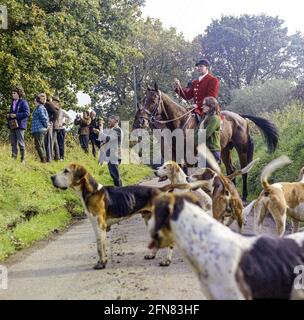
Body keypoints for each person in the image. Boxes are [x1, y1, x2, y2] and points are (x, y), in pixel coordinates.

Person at [7, 86, 30, 164]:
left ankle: (23, 159)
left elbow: (27, 113)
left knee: (20, 142)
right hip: (12, 125)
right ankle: (14, 157)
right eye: (12, 93)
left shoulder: (23, 102)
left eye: (14, 93)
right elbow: (11, 112)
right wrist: (9, 115)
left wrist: (16, 115)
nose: (13, 95)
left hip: (20, 125)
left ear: (19, 94)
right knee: (13, 142)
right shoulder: (12, 102)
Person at [98, 115, 122, 186]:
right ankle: (119, 191)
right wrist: (101, 129)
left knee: (115, 176)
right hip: (111, 155)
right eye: (108, 121)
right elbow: (104, 139)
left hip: (114, 155)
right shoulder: (113, 130)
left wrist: (99, 133)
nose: (108, 122)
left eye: (110, 121)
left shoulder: (117, 130)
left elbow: (108, 138)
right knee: (114, 175)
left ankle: (120, 192)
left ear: (116, 121)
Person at [201, 96, 221, 166]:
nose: (202, 107)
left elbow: (205, 135)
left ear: (211, 106)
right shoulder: (204, 118)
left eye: (204, 105)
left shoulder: (214, 119)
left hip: (212, 151)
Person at [31, 94, 49, 163]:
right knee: (41, 145)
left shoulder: (40, 108)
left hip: (39, 129)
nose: (34, 101)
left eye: (35, 100)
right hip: (38, 129)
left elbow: (44, 118)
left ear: (37, 100)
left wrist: (46, 126)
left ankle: (43, 160)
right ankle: (44, 160)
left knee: (38, 145)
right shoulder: (38, 107)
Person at [44, 97, 60, 162]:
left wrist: (51, 121)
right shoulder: (54, 106)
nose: (52, 101)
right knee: (55, 143)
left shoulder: (53, 106)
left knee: (51, 142)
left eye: (53, 101)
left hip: (54, 126)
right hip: (54, 126)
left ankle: (51, 158)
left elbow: (56, 114)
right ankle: (57, 157)